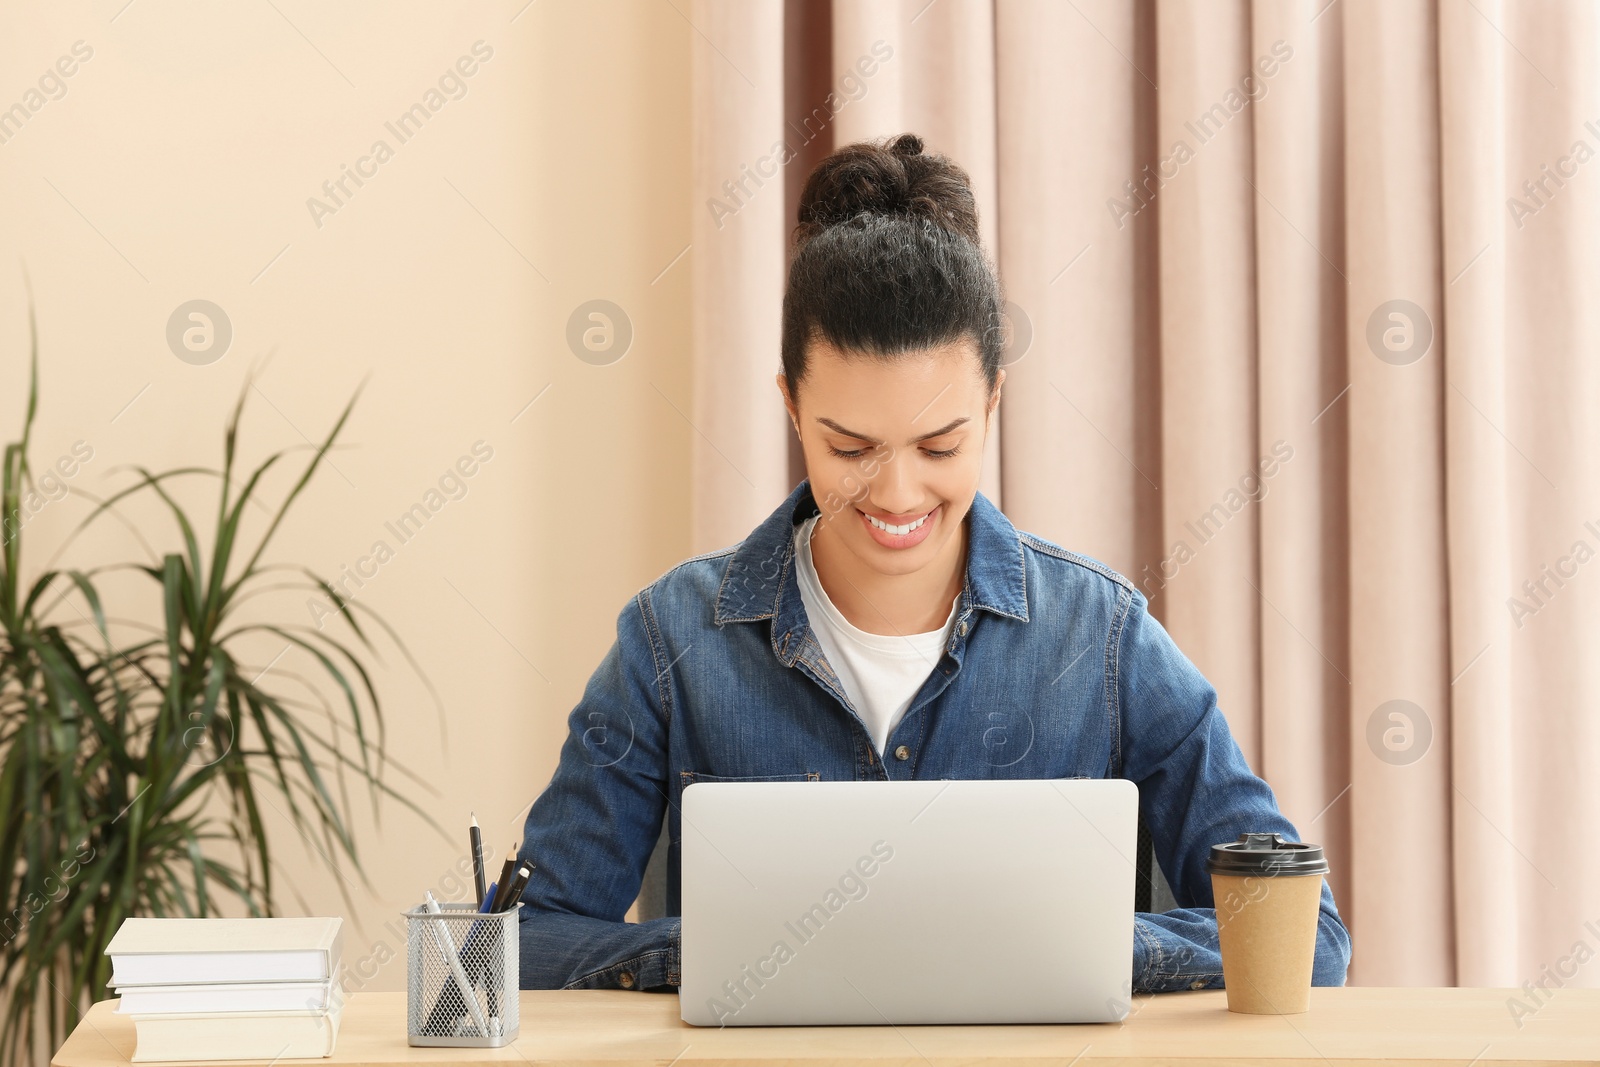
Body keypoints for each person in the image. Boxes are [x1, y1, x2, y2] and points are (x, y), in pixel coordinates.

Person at [513, 132, 1352, 994]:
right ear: (792, 406)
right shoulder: (671, 640)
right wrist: (721, 949)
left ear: (991, 402)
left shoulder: (1100, 637)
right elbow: (523, 944)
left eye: (941, 443)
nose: (898, 492)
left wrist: (1067, 942)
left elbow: (1305, 935)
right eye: (851, 446)